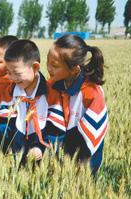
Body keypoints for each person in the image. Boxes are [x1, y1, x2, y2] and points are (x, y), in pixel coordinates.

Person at [46, 34, 108, 174]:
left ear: (74, 69)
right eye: (48, 61)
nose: (49, 67)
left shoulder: (93, 92)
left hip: (83, 146)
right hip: (61, 145)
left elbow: (94, 131)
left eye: (54, 65)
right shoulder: (52, 85)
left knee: (83, 182)